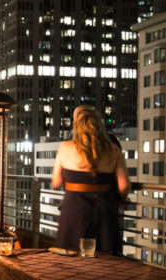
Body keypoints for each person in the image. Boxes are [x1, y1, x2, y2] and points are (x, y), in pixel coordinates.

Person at [51, 107, 131, 254]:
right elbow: (124, 186)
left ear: (77, 126)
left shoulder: (65, 147)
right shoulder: (114, 151)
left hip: (74, 211)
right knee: (106, 259)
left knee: (70, 259)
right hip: (104, 211)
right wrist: (122, 198)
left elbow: (56, 180)